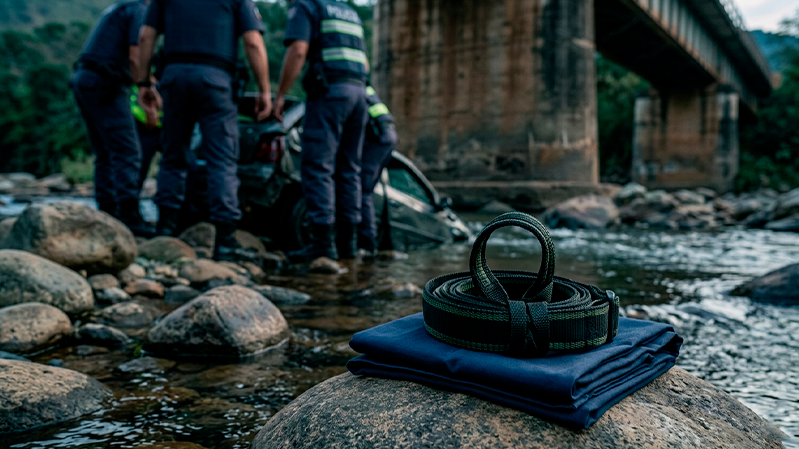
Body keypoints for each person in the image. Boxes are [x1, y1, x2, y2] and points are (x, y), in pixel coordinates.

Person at [136, 0, 272, 262]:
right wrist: (264, 90)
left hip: (173, 78)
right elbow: (253, 42)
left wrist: (143, 82)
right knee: (221, 161)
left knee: (173, 156)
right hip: (216, 81)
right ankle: (226, 240)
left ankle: (166, 229)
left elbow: (145, 36)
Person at [274, 0, 369, 262]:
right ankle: (348, 245)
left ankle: (323, 244)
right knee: (349, 169)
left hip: (330, 94)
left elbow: (298, 51)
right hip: (359, 94)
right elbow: (365, 64)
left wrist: (280, 95)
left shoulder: (308, 5)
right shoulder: (349, 12)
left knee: (318, 166)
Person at [72, 0, 156, 237]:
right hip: (105, 82)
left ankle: (108, 213)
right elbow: (135, 56)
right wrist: (144, 87)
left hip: (85, 79)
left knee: (106, 152)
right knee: (127, 151)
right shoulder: (141, 10)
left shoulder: (122, 8)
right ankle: (129, 216)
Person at [358, 85, 398, 256]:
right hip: (387, 135)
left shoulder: (355, 87)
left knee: (362, 189)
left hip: (379, 137)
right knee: (364, 188)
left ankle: (367, 243)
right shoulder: (365, 88)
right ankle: (368, 241)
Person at [130, 85, 162, 195]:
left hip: (166, 126)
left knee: (177, 164)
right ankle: (131, 199)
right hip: (143, 125)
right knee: (140, 166)